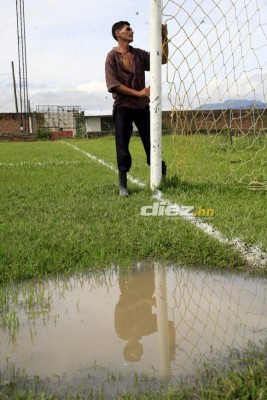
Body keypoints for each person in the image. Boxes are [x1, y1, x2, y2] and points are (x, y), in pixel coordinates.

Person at [105, 21, 169, 196]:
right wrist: (138, 93)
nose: (132, 31)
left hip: (141, 107)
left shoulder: (138, 54)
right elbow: (113, 85)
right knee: (122, 146)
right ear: (118, 33)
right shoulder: (112, 56)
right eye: (128, 29)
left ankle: (162, 178)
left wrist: (164, 38)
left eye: (131, 28)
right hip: (123, 107)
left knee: (152, 143)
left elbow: (162, 60)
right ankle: (123, 186)